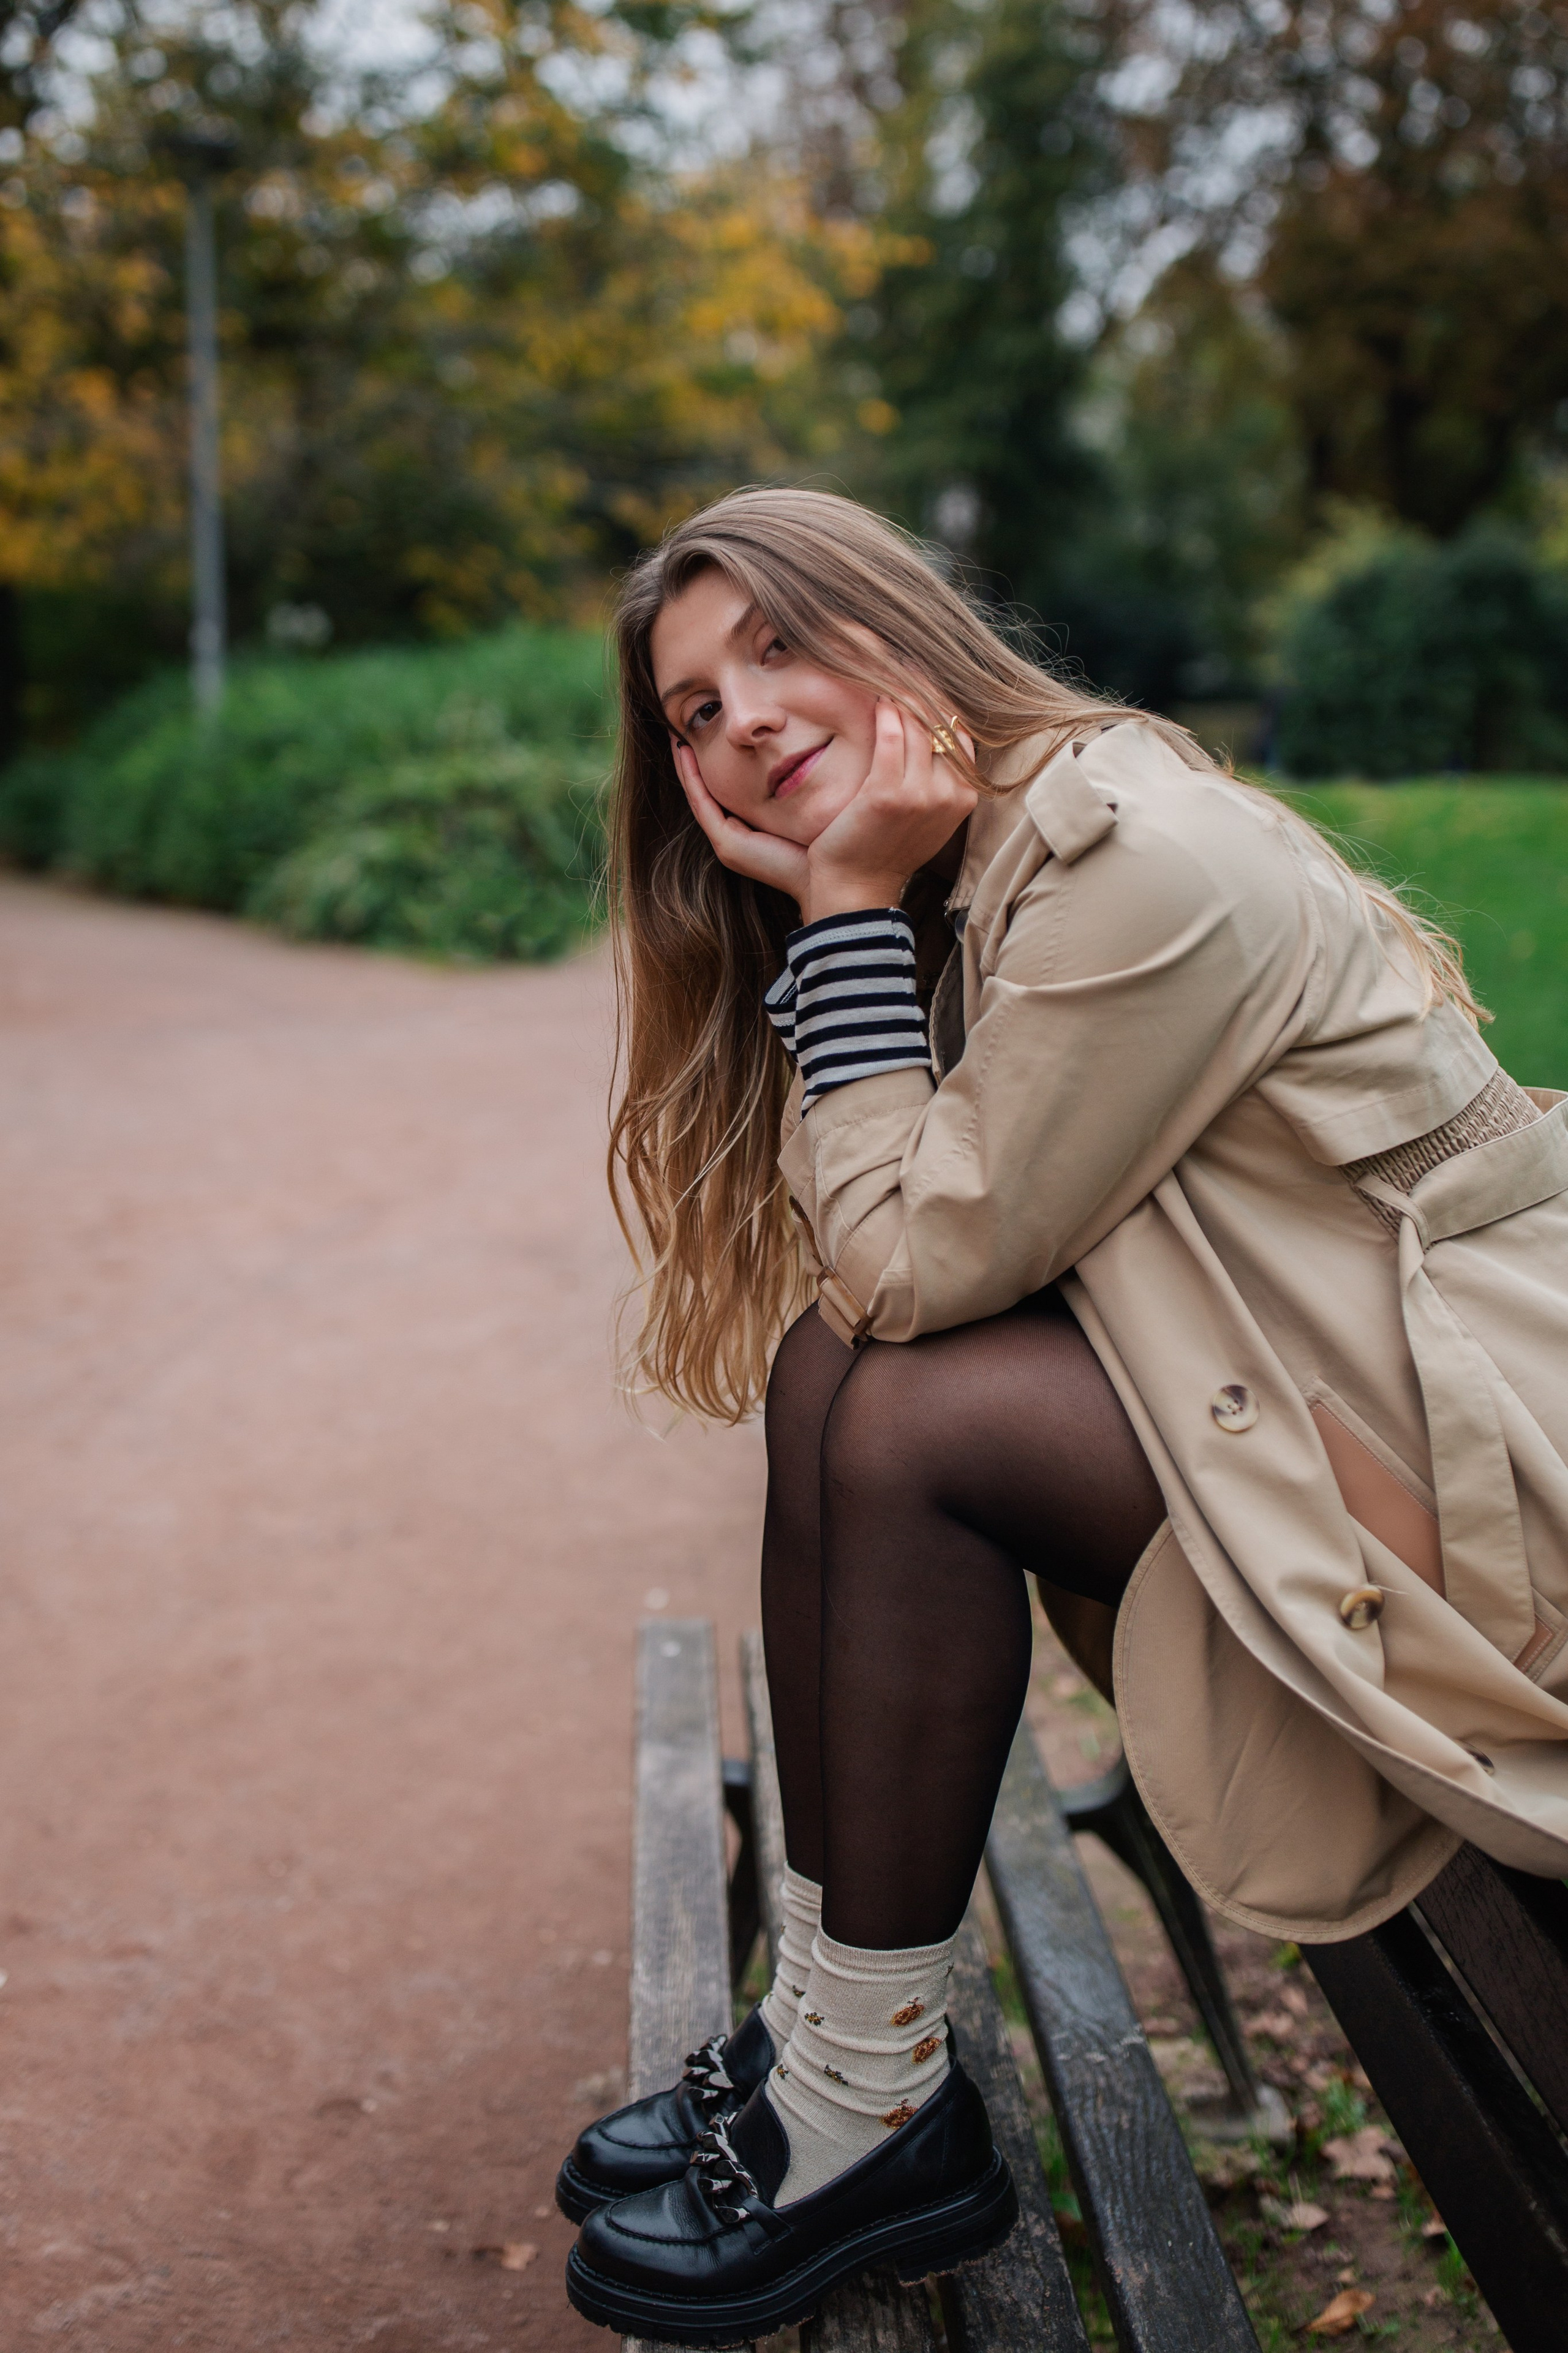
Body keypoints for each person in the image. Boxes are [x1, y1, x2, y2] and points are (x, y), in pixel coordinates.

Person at [557, 487, 1568, 2344]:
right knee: (831, 1384)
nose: (741, 721)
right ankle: (842, 2049)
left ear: (893, 618)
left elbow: (905, 1262)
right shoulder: (998, 843)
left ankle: (871, 2107)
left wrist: (845, 909)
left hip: (1484, 1476)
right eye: (692, 708)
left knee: (908, 1411)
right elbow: (877, 1294)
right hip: (1336, 1409)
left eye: (777, 644)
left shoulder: (1131, 860)